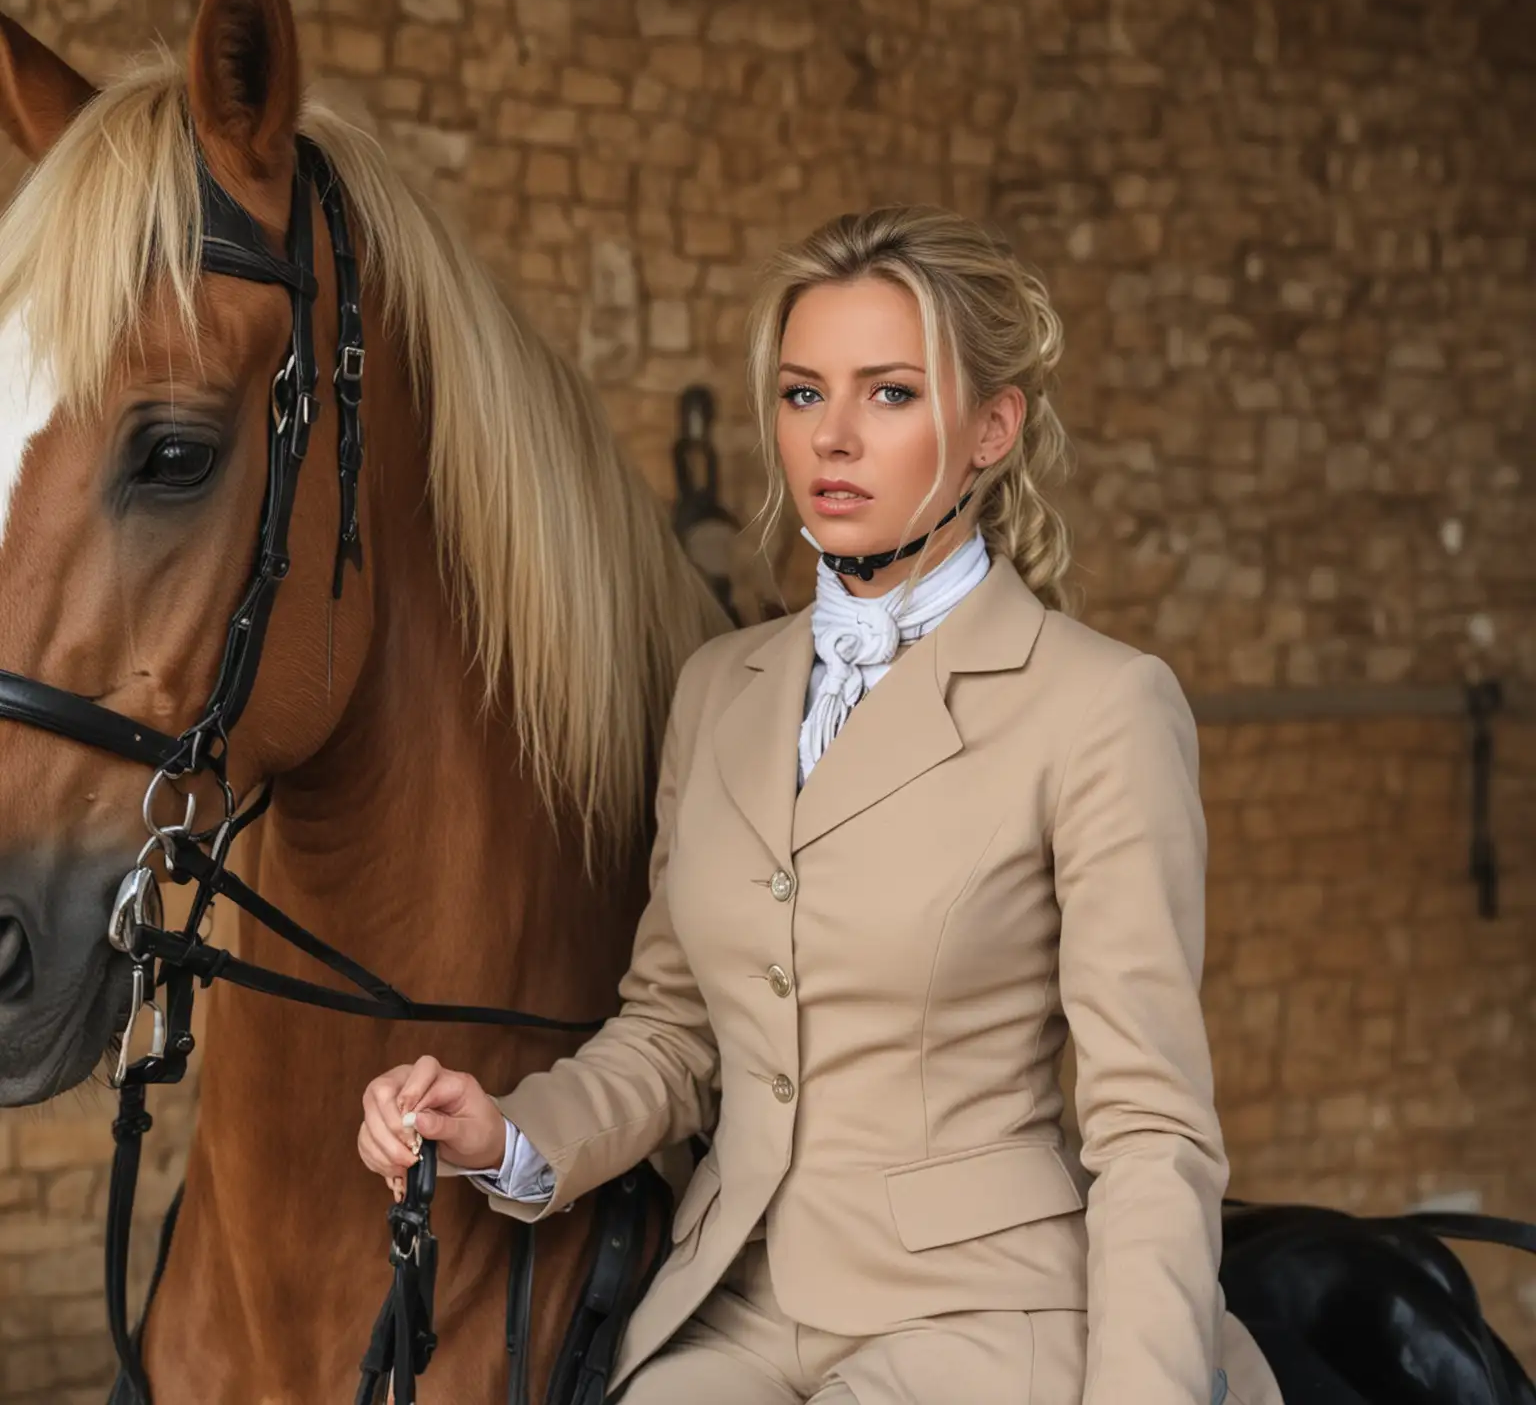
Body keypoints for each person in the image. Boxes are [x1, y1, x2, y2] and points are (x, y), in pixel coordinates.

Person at [358, 206, 1284, 1405]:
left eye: (889, 395)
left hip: (982, 1314)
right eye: (803, 395)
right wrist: (504, 1132)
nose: (833, 438)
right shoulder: (718, 691)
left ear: (993, 427)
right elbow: (673, 1032)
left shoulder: (1101, 706)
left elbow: (1151, 1125)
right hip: (738, 1304)